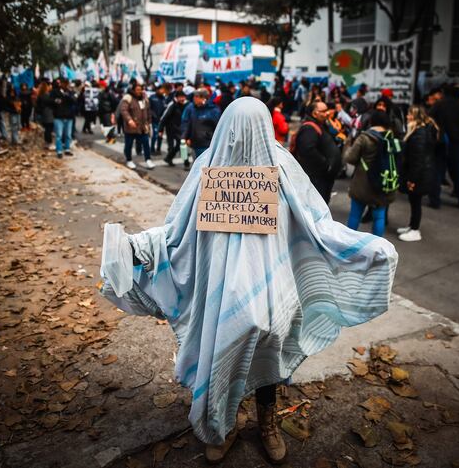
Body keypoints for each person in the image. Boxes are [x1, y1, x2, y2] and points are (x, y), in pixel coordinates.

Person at [99, 97, 398, 464]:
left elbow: (313, 222)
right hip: (217, 287)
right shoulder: (206, 166)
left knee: (268, 350)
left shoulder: (282, 166)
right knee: (223, 348)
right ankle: (223, 423)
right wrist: (136, 248)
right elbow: (178, 231)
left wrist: (362, 247)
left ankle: (267, 421)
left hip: (273, 285)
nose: (244, 136)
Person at [342, 111, 397, 237]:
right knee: (379, 217)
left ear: (371, 122)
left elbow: (350, 158)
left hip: (363, 183)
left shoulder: (365, 137)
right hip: (383, 182)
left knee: (355, 215)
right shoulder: (390, 137)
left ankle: (350, 244)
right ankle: (376, 246)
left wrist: (348, 145)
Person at [398, 106, 439, 242]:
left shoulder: (419, 133)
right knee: (414, 201)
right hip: (421, 173)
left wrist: (412, 180)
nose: (407, 116)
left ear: (417, 117)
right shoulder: (420, 131)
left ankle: (415, 230)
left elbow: (417, 160)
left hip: (419, 175)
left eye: (410, 114)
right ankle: (412, 226)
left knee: (415, 202)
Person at [291, 101, 341, 204]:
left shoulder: (321, 124)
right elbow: (308, 150)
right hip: (316, 179)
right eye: (324, 111)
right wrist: (326, 165)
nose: (327, 113)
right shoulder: (309, 128)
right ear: (315, 113)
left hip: (321, 178)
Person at [120, 83, 155, 170]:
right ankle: (129, 160)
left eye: (141, 89)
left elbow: (148, 111)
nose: (139, 91)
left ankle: (148, 159)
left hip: (143, 127)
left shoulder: (144, 98)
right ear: (133, 90)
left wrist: (149, 123)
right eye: (137, 90)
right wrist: (129, 120)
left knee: (146, 143)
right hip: (131, 127)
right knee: (129, 144)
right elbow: (124, 110)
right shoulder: (128, 98)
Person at [181, 88, 221, 162]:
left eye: (196, 97)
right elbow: (187, 123)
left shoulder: (213, 110)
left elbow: (219, 127)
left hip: (208, 144)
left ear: (203, 98)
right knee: (196, 166)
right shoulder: (191, 108)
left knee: (205, 167)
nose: (194, 98)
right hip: (194, 143)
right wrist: (185, 137)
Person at [161, 90, 187, 167]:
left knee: (181, 144)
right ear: (176, 98)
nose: (182, 99)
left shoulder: (186, 105)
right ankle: (183, 162)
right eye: (180, 97)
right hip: (170, 129)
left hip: (180, 129)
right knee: (172, 146)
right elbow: (164, 117)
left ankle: (169, 158)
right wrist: (160, 129)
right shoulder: (172, 105)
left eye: (183, 97)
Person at [50, 78, 75, 158]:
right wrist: (56, 101)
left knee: (68, 134)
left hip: (69, 116)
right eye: (63, 83)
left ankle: (67, 149)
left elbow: (74, 100)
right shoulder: (55, 92)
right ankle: (59, 151)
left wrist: (67, 95)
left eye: (66, 83)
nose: (65, 85)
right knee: (59, 135)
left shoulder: (70, 92)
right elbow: (49, 100)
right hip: (58, 116)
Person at [149, 84, 167, 155]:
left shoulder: (164, 98)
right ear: (157, 90)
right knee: (155, 135)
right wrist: (154, 116)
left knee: (160, 135)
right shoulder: (152, 97)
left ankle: (158, 149)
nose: (162, 91)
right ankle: (152, 149)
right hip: (154, 120)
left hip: (162, 121)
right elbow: (149, 108)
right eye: (161, 89)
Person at [36, 81, 54, 149]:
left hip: (44, 113)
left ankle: (47, 142)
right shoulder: (46, 95)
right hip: (48, 113)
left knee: (47, 129)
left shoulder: (41, 95)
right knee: (48, 129)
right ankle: (48, 143)